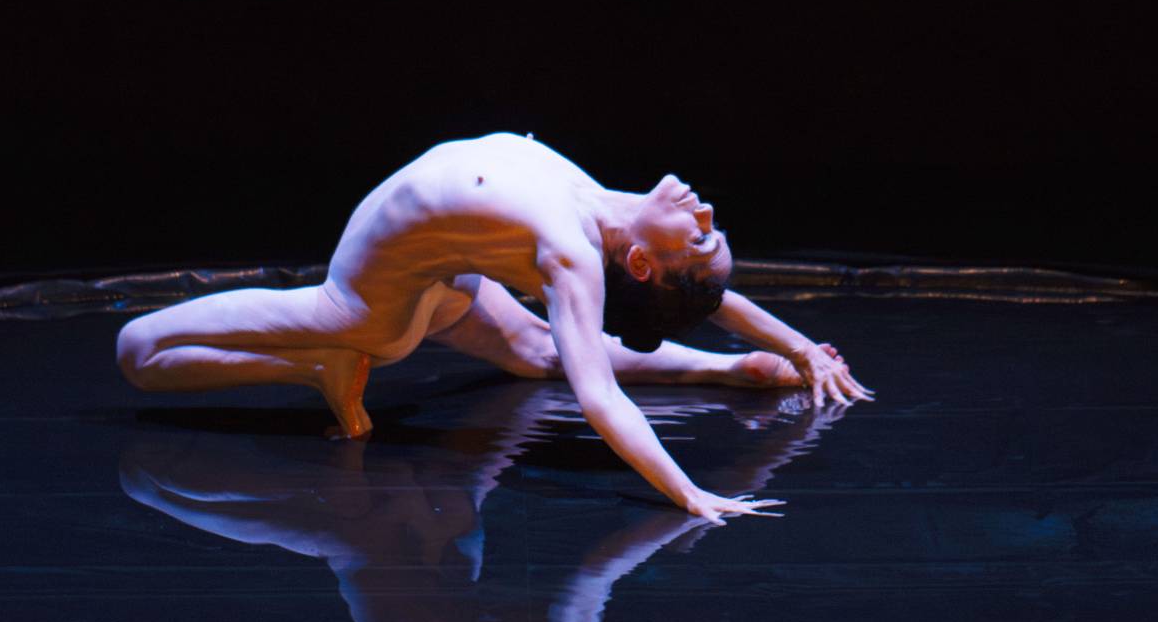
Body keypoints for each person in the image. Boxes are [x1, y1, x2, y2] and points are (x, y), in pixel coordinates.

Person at [116, 132, 873, 522]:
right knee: (540, 347)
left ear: (642, 264)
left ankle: (323, 357)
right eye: (713, 228)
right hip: (448, 279)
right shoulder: (613, 215)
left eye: (701, 233)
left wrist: (688, 493)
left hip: (368, 306)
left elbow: (599, 395)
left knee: (139, 351)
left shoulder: (574, 248)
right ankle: (319, 368)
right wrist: (796, 344)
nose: (704, 212)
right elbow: (706, 297)